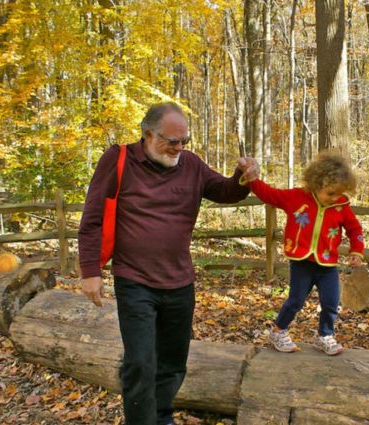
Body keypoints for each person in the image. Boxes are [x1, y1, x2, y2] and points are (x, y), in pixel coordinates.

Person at [77, 102, 259, 425]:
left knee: (174, 362)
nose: (178, 148)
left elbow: (224, 190)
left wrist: (242, 177)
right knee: (140, 363)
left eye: (184, 141)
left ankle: (161, 416)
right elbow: (92, 217)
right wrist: (90, 270)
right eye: (171, 141)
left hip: (179, 282)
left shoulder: (190, 164)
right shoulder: (118, 159)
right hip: (135, 281)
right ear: (147, 134)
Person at [241, 151, 365, 356]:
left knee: (332, 303)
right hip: (302, 262)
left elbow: (355, 230)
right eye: (330, 193)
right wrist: (252, 179)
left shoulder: (341, 206)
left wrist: (357, 252)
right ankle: (278, 331)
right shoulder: (296, 198)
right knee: (296, 300)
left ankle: (324, 335)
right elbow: (269, 194)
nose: (334, 198)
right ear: (316, 184)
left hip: (327, 265)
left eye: (338, 194)